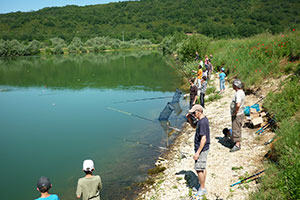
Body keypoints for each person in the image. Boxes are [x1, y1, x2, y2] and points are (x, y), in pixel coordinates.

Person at [188, 105, 210, 197]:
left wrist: (198, 152)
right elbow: (194, 126)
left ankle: (202, 188)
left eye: (194, 112)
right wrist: (189, 119)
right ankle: (202, 185)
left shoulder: (203, 122)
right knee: (202, 167)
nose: (193, 114)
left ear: (199, 111)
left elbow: (203, 139)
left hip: (202, 149)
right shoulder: (201, 121)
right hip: (202, 148)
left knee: (198, 169)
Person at [230, 79, 245, 152]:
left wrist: (235, 112)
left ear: (235, 86)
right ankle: (237, 142)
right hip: (241, 113)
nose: (232, 86)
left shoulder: (238, 93)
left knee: (236, 129)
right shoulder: (241, 92)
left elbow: (238, 104)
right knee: (238, 127)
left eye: (233, 84)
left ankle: (237, 145)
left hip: (237, 114)